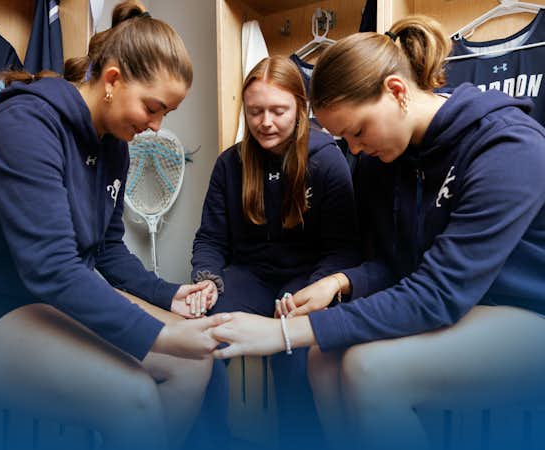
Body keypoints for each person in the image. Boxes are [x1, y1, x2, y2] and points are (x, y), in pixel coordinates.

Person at [211, 15, 545, 450]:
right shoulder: (379, 162)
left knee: (371, 371)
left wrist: (285, 334)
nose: (352, 149)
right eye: (342, 138)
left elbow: (438, 293)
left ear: (396, 91)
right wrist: (341, 281)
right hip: (455, 307)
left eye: (357, 131)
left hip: (525, 315)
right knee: (324, 360)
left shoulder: (507, 148)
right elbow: (395, 266)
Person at [0, 3, 227, 450]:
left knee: (193, 364)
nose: (156, 126)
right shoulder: (24, 126)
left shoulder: (113, 145)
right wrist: (165, 331)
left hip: (37, 298)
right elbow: (53, 268)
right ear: (112, 80)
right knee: (131, 397)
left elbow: (108, 249)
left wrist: (167, 296)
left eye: (166, 114)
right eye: (153, 108)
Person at [191, 55, 360, 449]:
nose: (265, 122)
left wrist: (318, 289)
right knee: (201, 332)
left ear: (301, 108)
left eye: (278, 111)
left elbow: (345, 248)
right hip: (248, 276)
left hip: (306, 277)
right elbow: (210, 240)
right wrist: (207, 279)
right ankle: (211, 439)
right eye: (255, 112)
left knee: (294, 345)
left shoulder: (328, 161)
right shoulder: (229, 164)